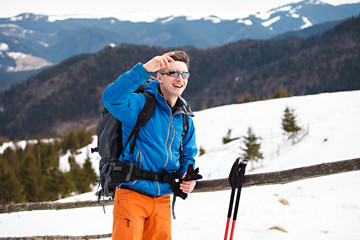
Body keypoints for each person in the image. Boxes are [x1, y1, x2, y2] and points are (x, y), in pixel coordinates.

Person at [102, 51, 198, 239]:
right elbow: (111, 98)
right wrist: (144, 70)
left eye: (184, 74)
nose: (180, 79)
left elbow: (188, 154)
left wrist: (188, 175)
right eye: (173, 73)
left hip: (162, 198)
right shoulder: (141, 104)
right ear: (159, 77)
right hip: (132, 193)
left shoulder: (185, 118)